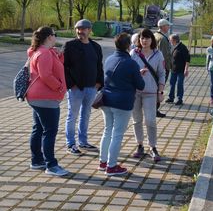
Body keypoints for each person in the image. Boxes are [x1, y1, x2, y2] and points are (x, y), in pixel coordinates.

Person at [99, 33, 145, 176]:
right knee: (117, 134)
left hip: (106, 100)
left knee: (107, 131)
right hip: (122, 102)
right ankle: (112, 167)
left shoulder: (109, 59)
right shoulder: (131, 63)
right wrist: (138, 74)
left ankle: (103, 162)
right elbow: (141, 85)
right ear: (128, 45)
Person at [26, 27, 69, 176]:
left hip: (37, 98)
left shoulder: (41, 51)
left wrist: (59, 55)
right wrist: (59, 87)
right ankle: (51, 165)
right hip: (46, 98)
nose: (55, 37)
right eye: (54, 35)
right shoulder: (44, 53)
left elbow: (56, 67)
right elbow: (46, 75)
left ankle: (37, 160)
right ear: (49, 37)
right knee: (49, 132)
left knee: (38, 129)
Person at [63, 19, 104, 155]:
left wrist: (99, 83)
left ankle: (83, 141)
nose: (80, 31)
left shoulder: (96, 47)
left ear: (89, 30)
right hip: (76, 88)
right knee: (72, 115)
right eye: (78, 29)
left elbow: (99, 66)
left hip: (92, 88)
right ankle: (70, 143)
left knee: (85, 115)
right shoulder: (70, 45)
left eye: (83, 29)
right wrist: (71, 85)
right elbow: (64, 67)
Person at [130, 29, 165, 162]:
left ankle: (153, 147)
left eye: (147, 38)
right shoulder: (134, 53)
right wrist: (137, 72)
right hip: (135, 93)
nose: (144, 41)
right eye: (142, 38)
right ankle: (139, 145)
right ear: (139, 40)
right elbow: (129, 70)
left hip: (151, 93)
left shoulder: (158, 54)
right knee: (136, 120)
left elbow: (162, 73)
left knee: (150, 120)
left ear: (152, 40)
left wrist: (161, 91)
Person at [154, 18, 173, 118]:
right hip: (162, 68)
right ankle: (155, 110)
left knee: (155, 88)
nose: (169, 27)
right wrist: (167, 68)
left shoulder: (155, 35)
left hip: (154, 67)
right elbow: (164, 55)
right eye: (167, 25)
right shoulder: (162, 39)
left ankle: (153, 109)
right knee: (159, 89)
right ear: (162, 27)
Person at [165, 34, 190, 105]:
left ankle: (179, 99)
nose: (170, 41)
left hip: (181, 70)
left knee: (179, 84)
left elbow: (187, 59)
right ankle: (171, 97)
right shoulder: (174, 47)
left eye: (170, 40)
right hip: (173, 70)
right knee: (172, 84)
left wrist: (186, 69)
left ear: (175, 40)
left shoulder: (182, 47)